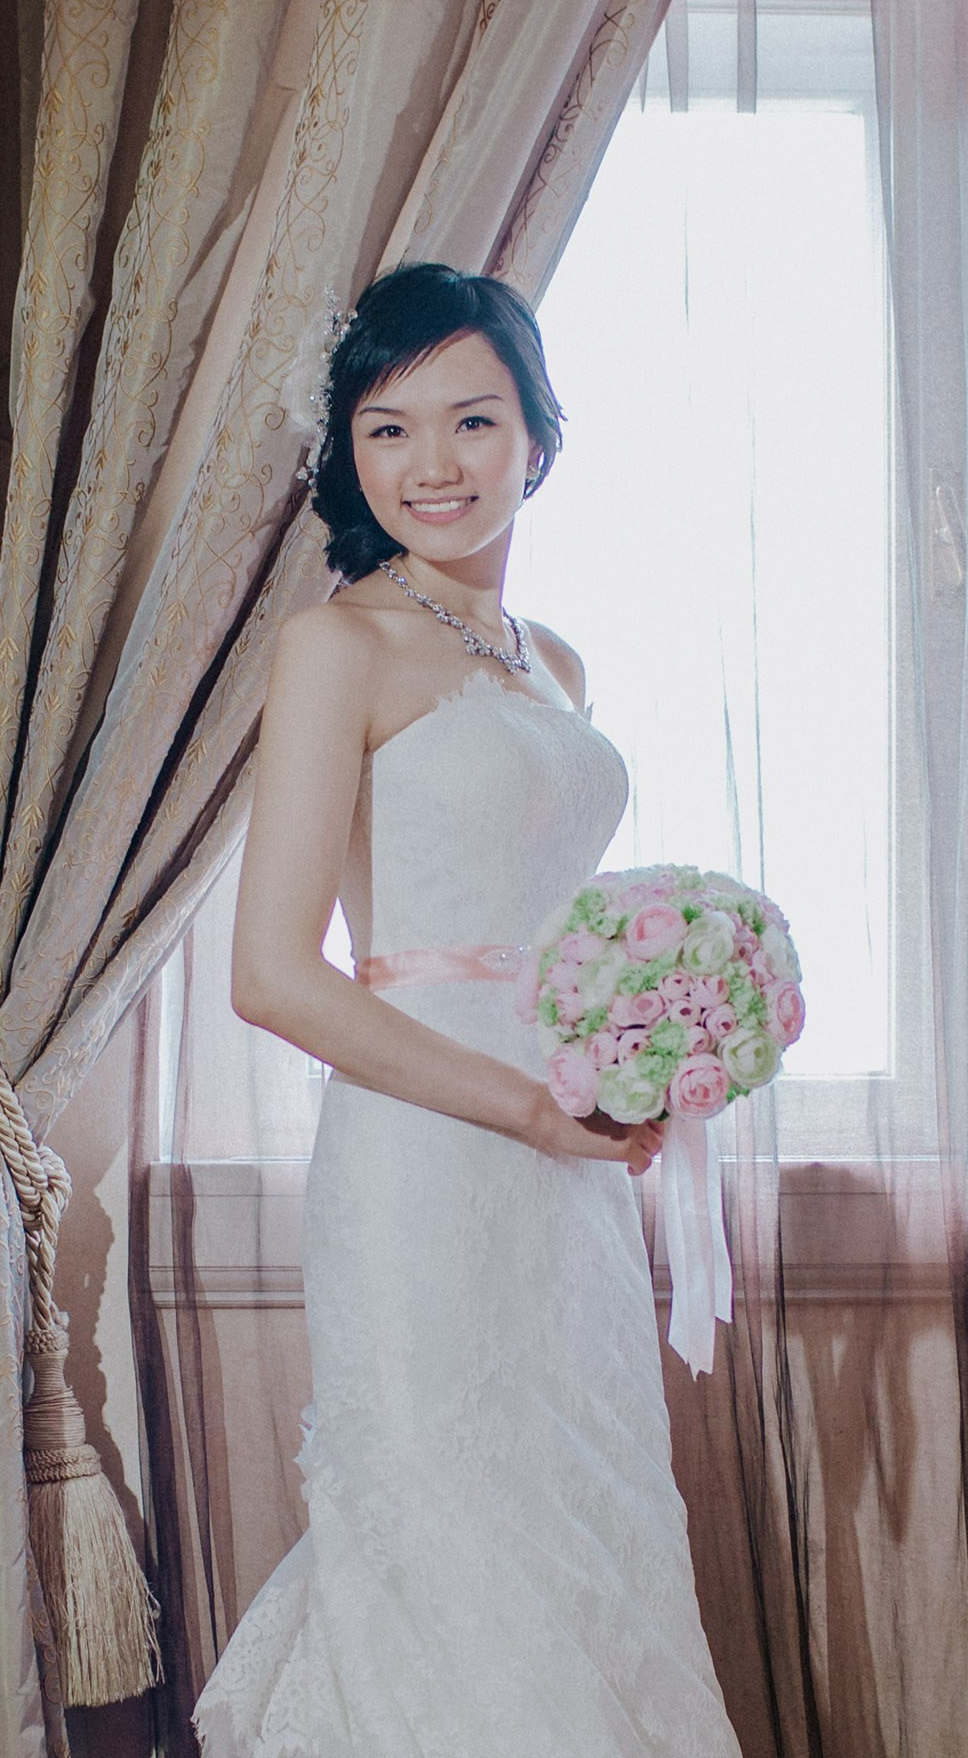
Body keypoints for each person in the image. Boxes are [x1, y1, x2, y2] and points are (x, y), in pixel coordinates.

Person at [192, 264, 740, 1756]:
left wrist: (655, 1034)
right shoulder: (338, 647)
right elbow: (272, 974)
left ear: (537, 439)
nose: (431, 463)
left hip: (570, 1168)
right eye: (389, 428)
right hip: (429, 1158)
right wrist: (526, 1111)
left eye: (472, 420)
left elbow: (549, 931)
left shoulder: (553, 662)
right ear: (352, 454)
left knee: (584, 1511)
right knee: (448, 1534)